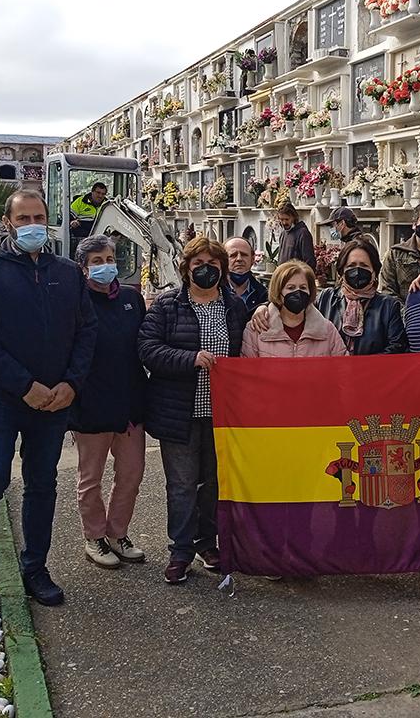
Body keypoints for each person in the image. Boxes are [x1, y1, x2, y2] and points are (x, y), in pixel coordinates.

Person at [0, 190, 98, 615]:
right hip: (1, 398)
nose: (31, 224)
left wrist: (71, 383)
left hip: (55, 400)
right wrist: (24, 385)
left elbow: (86, 332)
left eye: (38, 216)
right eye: (23, 218)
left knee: (42, 485)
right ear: (8, 222)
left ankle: (35, 568)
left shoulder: (68, 273)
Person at [138, 236, 247, 585]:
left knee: (214, 484)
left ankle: (207, 543)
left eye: (213, 265)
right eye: (198, 265)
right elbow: (147, 347)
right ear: (186, 269)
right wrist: (189, 359)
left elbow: (246, 349)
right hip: (179, 412)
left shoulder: (234, 305)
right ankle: (180, 550)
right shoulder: (168, 305)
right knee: (183, 484)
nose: (206, 270)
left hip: (222, 414)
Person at [70, 235, 150, 570]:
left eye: (109, 259)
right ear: (84, 268)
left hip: (130, 404)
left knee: (131, 474)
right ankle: (94, 536)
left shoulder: (131, 298)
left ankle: (118, 533)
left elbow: (146, 344)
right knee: (91, 478)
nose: (105, 266)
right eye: (97, 261)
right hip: (91, 406)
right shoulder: (75, 303)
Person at [248, 241, 406, 355]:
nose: (357, 271)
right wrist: (264, 306)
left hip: (371, 380)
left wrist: (361, 368)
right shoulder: (326, 298)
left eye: (364, 266)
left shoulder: (388, 306)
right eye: (351, 266)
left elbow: (396, 347)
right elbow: (293, 307)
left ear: (374, 271)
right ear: (341, 271)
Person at [242, 260, 347, 357]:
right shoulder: (255, 330)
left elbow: (343, 368)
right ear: (278, 292)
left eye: (303, 287)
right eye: (290, 288)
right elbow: (247, 371)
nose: (298, 292)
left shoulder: (327, 330)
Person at [224, 237, 267, 313]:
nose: (239, 259)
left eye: (244, 255)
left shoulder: (264, 295)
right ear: (223, 260)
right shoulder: (215, 294)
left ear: (253, 259)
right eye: (233, 255)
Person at [275, 202, 314, 267]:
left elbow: (309, 261)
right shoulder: (283, 233)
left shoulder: (303, 233)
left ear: (293, 217)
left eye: (287, 219)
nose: (284, 223)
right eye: (281, 219)